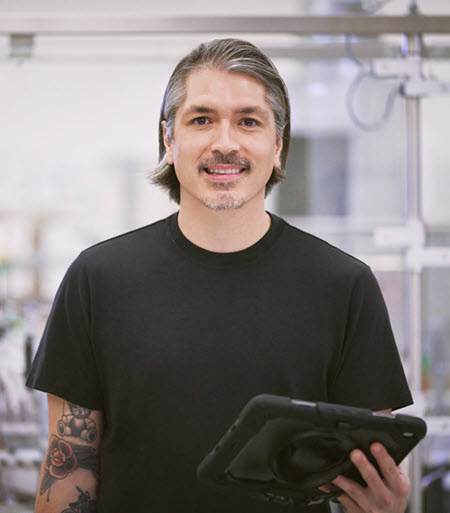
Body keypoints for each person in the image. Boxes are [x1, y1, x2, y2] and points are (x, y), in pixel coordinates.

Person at [27, 38, 413, 513]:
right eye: (202, 119)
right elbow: (71, 467)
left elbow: (367, 472)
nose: (224, 143)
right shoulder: (97, 279)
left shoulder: (345, 286)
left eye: (248, 121)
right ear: (170, 140)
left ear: (277, 145)